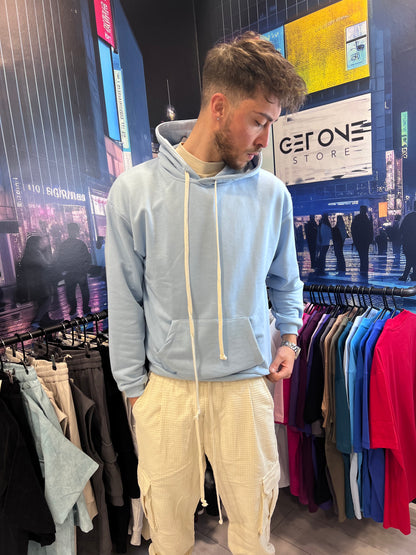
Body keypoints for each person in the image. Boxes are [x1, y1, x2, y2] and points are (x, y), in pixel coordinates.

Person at [105, 31, 306, 555]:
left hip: (244, 387)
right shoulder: (135, 192)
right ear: (219, 107)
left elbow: (286, 280)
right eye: (258, 121)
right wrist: (135, 389)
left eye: (271, 124)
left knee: (254, 536)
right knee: (168, 538)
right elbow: (124, 298)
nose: (265, 139)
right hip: (166, 390)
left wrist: (290, 339)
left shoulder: (272, 196)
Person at [18, 235, 58, 328]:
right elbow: (45, 264)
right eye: (40, 242)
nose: (42, 243)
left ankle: (45, 320)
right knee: (47, 299)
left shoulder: (27, 255)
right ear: (35, 243)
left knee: (40, 302)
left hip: (33, 284)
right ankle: (37, 320)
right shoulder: (36, 253)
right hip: (40, 282)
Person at [56, 222, 91, 317]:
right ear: (76, 231)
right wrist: (86, 269)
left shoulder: (64, 245)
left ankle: (73, 308)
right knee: (84, 290)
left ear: (68, 231)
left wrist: (63, 270)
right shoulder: (81, 244)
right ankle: (85, 307)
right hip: (80, 272)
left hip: (69, 273)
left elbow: (60, 259)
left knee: (70, 291)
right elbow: (87, 258)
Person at [351, 205, 373, 276]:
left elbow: (353, 230)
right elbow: (370, 230)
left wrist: (355, 240)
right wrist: (370, 239)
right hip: (365, 241)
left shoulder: (357, 219)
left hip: (359, 240)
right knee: (365, 256)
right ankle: (364, 270)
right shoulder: (367, 219)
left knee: (361, 256)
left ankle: (363, 269)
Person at [399, 201, 416, 281]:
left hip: (409, 243)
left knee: (409, 260)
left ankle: (405, 275)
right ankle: (414, 274)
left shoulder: (408, 217)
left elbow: (401, 229)